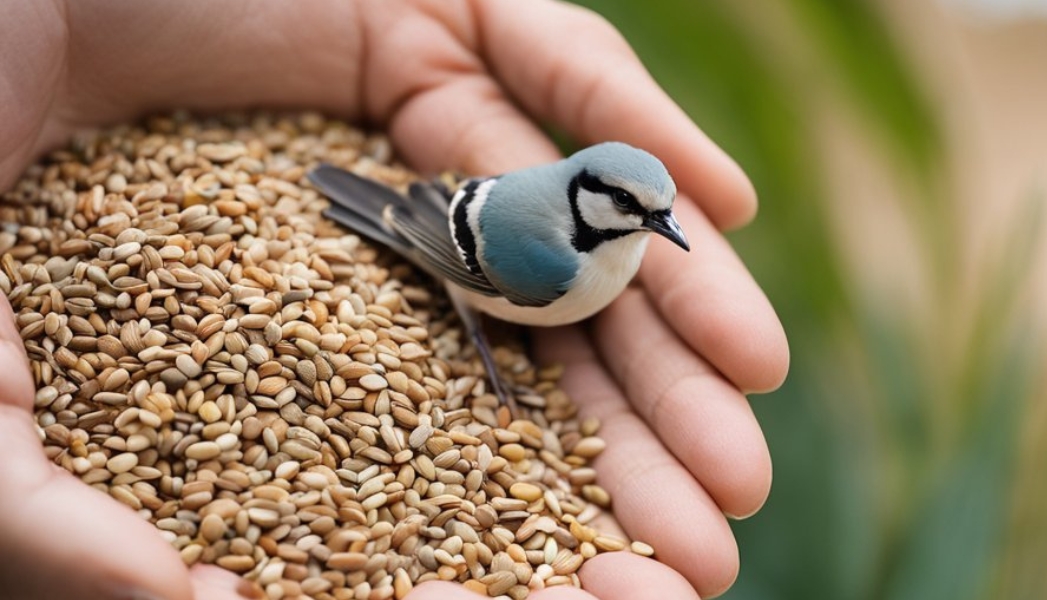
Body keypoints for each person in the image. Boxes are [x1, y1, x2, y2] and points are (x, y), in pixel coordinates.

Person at [0, 1, 788, 598]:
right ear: (586, 191)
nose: (658, 226)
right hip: (450, 239)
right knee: (468, 300)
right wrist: (485, 352)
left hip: (468, 211)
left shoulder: (603, 248)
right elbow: (462, 247)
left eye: (661, 213)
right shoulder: (554, 263)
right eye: (637, 210)